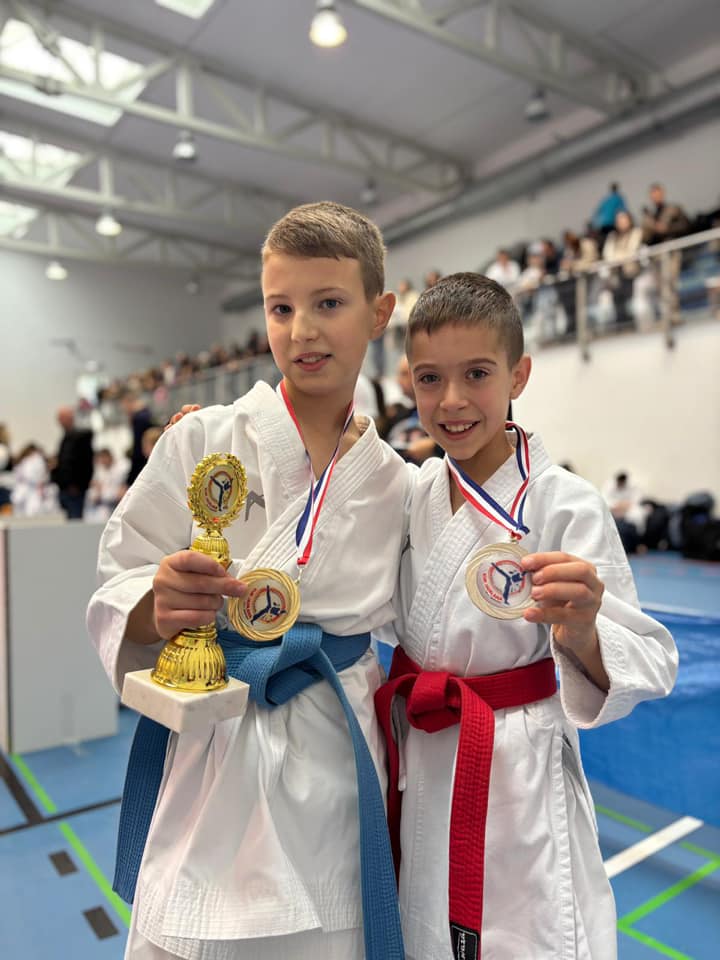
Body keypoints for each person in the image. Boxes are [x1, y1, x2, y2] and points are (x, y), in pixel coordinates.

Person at [87, 201, 409, 960]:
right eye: (280, 307)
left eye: (328, 303)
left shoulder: (397, 482)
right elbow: (119, 574)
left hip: (333, 756)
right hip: (217, 747)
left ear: (379, 312)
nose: (302, 330)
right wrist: (155, 603)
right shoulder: (203, 439)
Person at [374, 273, 677, 960]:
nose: (452, 400)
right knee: (425, 922)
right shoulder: (412, 492)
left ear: (519, 375)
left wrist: (584, 630)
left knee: (524, 928)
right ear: (408, 382)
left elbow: (651, 658)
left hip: (516, 761)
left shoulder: (564, 502)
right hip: (422, 746)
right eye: (430, 379)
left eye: (477, 374)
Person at [50, 405, 94, 519]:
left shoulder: (81, 437)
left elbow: (85, 464)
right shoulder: (66, 437)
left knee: (75, 520)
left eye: (61, 418)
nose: (59, 421)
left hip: (75, 489)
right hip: (64, 487)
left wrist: (78, 485)